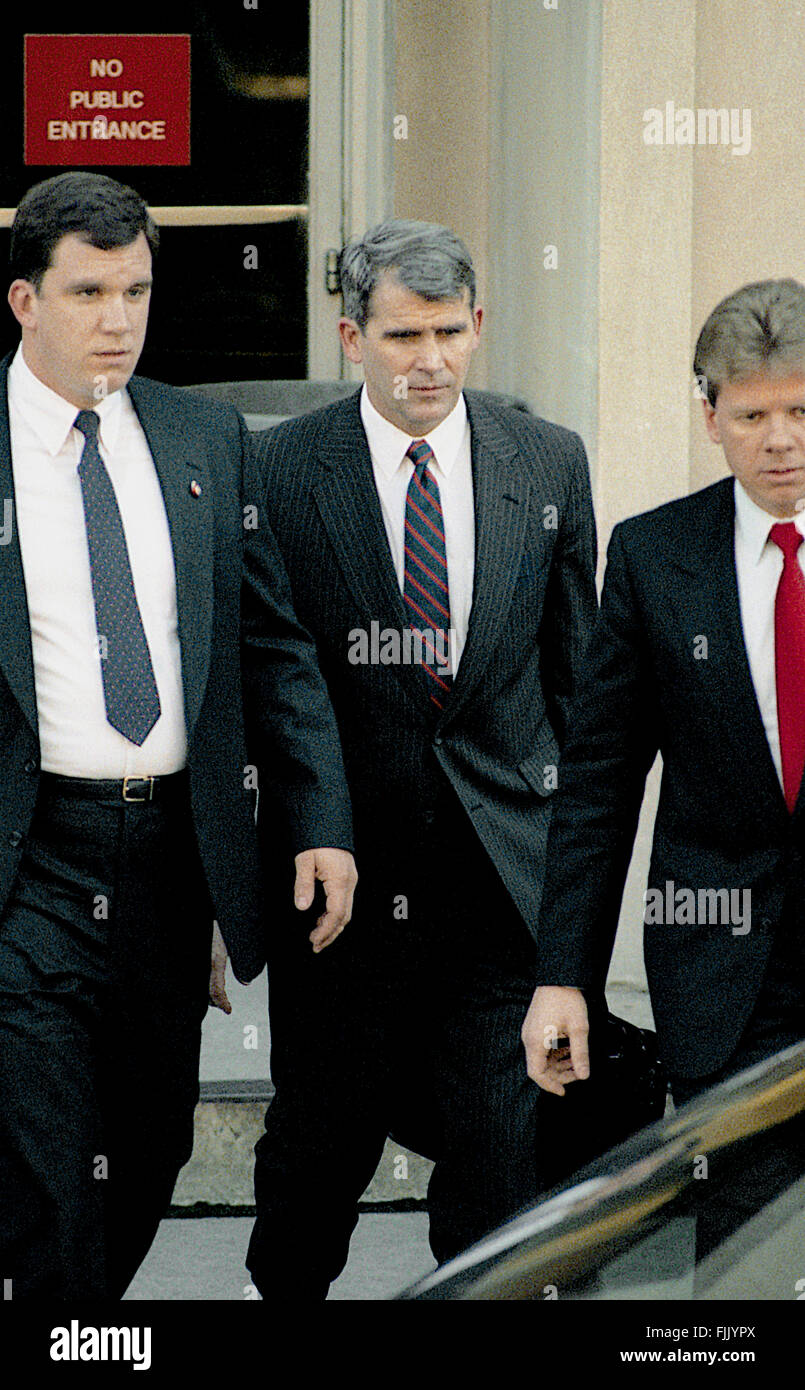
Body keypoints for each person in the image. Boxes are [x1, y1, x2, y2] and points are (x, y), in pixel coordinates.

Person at [0, 171, 356, 1300]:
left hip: (168, 864)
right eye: (89, 291)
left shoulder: (204, 435)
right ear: (24, 301)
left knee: (144, 1153)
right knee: (50, 1169)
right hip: (30, 854)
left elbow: (272, 647)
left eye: (137, 290)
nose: (117, 319)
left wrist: (319, 822)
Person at [239, 218, 598, 1299]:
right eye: (400, 335)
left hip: (502, 880)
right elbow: (269, 672)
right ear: (350, 337)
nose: (427, 358)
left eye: (448, 330)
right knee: (320, 1144)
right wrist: (310, 827)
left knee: (498, 1157)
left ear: (478, 325)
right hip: (344, 880)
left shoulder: (548, 460)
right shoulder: (281, 467)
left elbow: (578, 687)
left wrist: (576, 897)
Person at [523, 277, 805, 1257]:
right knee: (741, 1253)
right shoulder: (653, 556)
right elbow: (596, 783)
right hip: (726, 969)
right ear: (710, 415)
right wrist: (564, 975)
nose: (781, 438)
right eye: (754, 413)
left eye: (801, 409)